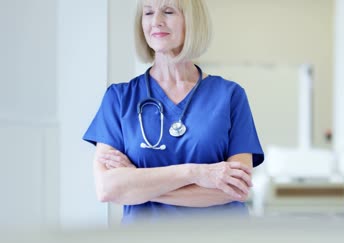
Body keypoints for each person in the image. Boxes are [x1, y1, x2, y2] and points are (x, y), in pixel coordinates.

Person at [83, 0, 264, 224]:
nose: (156, 21)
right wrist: (196, 173)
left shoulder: (229, 96)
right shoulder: (119, 98)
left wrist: (139, 185)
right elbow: (107, 189)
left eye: (168, 12)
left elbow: (236, 189)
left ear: (193, 23)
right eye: (148, 13)